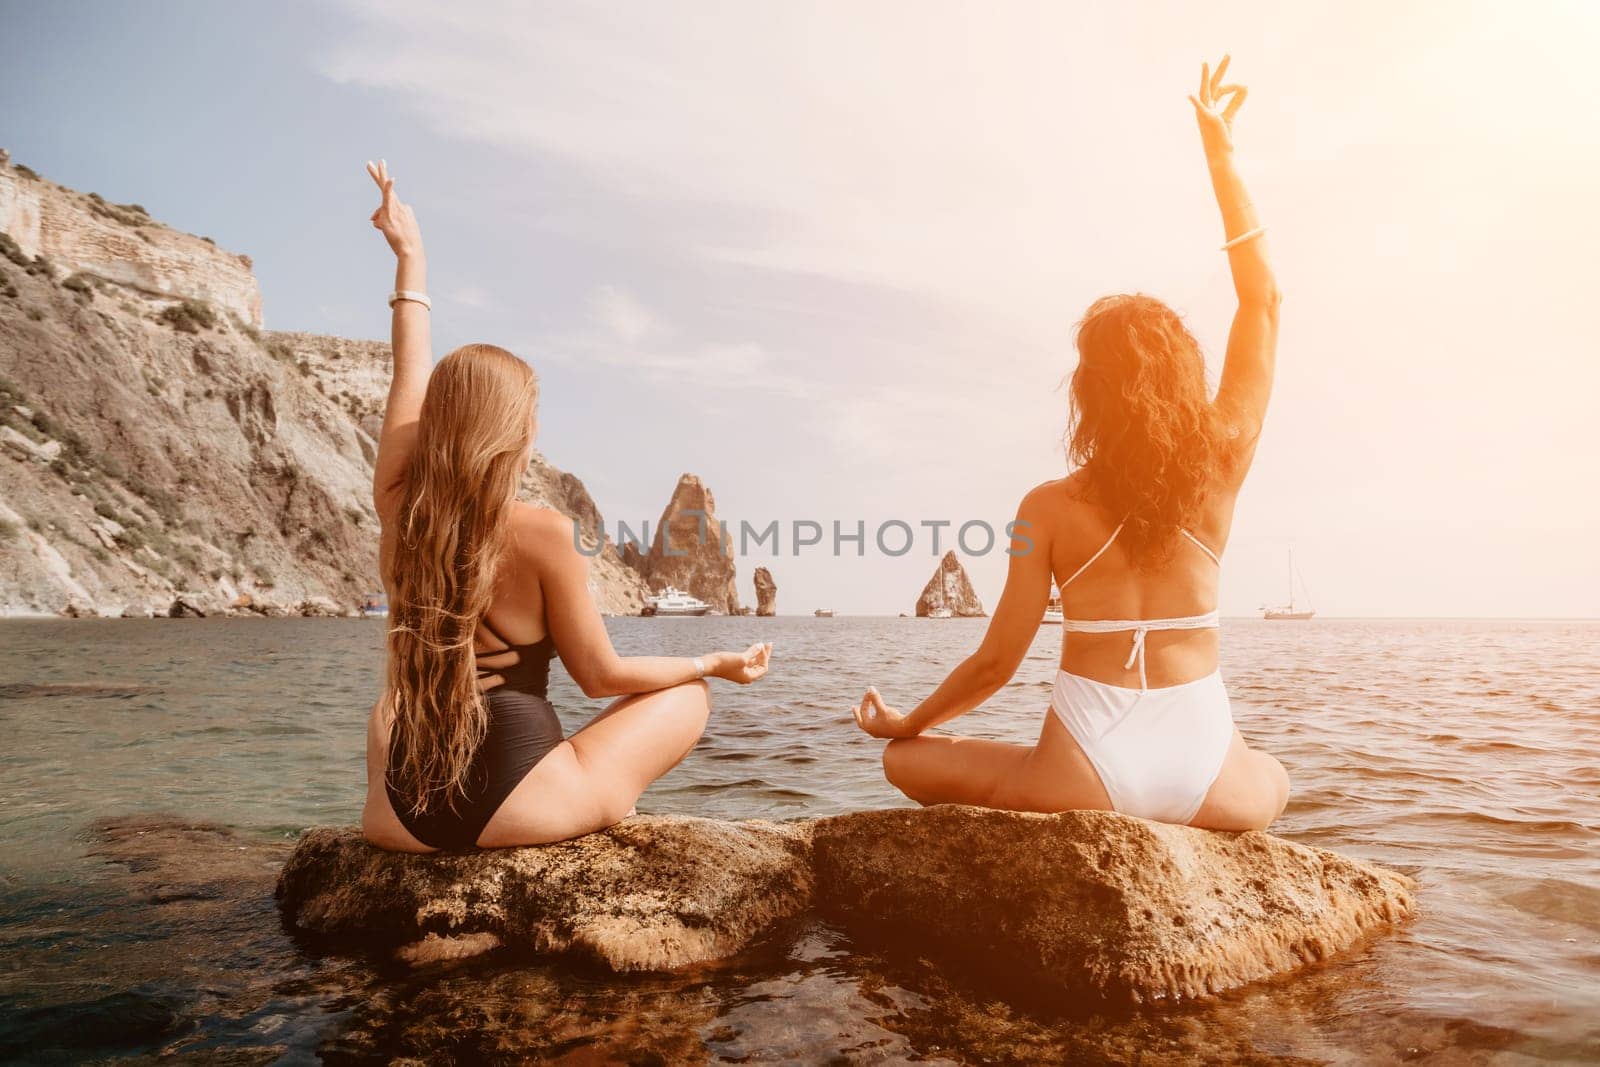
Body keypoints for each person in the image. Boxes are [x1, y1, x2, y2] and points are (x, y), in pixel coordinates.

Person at [849, 58, 1289, 832]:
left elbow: (996, 662)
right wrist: (1221, 155)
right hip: (1212, 777)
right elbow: (1264, 298)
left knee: (903, 761)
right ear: (1185, 376)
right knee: (1278, 776)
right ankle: (1219, 795)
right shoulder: (1224, 460)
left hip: (1081, 775)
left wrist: (906, 722)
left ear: (1088, 392)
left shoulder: (1046, 508)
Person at [357, 160, 773, 853]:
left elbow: (409, 373)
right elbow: (602, 676)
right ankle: (597, 802)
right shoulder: (545, 532)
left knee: (387, 710)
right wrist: (712, 661)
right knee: (686, 699)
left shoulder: (399, 509)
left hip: (401, 820)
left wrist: (411, 264)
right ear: (515, 431)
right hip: (520, 806)